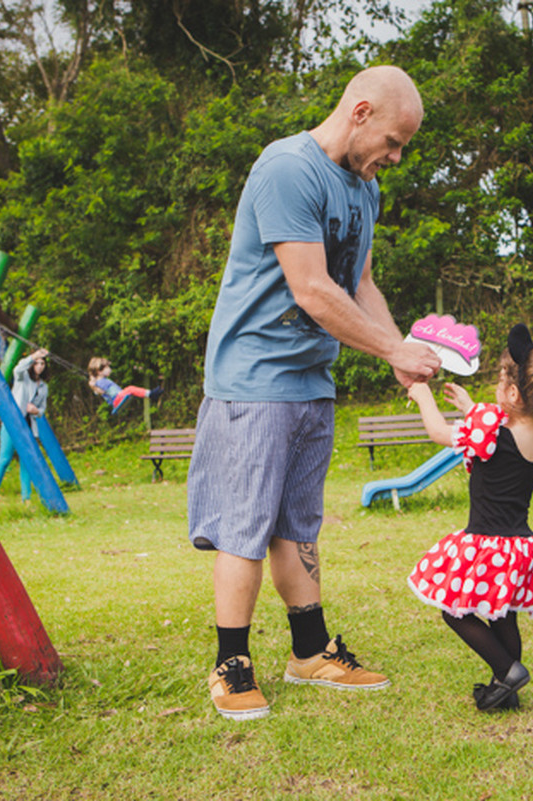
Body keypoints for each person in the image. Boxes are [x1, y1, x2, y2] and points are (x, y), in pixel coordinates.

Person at [187, 65, 441, 721]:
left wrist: (397, 353)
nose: (395, 156)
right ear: (359, 113)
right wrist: (389, 346)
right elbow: (311, 288)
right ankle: (231, 662)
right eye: (393, 140)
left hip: (309, 379)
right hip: (254, 377)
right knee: (246, 524)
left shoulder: (365, 190)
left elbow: (359, 285)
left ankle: (309, 651)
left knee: (299, 522)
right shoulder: (287, 169)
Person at [405, 324, 533, 711]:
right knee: (504, 617)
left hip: (485, 543)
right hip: (519, 545)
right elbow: (501, 431)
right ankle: (505, 690)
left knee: (454, 612)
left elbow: (439, 432)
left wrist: (423, 395)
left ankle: (507, 671)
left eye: (502, 378)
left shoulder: (490, 431)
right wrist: (470, 408)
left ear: (512, 393)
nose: (498, 384)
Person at [0, 348, 51, 512]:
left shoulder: (43, 387)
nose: (39, 366)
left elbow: (42, 409)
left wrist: (36, 411)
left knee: (27, 461)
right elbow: (18, 369)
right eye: (37, 363)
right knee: (5, 458)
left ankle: (26, 499)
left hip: (29, 425)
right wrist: (33, 356)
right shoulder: (23, 378)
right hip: (13, 423)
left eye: (42, 363)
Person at [87, 357, 163, 414]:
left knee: (131, 390)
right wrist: (93, 384)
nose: (109, 369)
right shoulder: (101, 382)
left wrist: (93, 384)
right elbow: (102, 391)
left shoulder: (101, 381)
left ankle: (151, 395)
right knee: (130, 388)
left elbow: (98, 392)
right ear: (99, 371)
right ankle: (151, 394)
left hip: (117, 398)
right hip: (117, 399)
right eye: (107, 367)